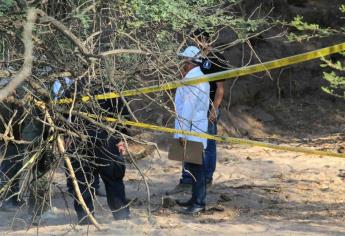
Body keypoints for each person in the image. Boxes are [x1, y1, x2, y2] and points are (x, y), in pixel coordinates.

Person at [168, 30, 227, 194]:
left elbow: (220, 88)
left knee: (206, 146)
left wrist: (214, 109)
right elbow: (183, 76)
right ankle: (187, 180)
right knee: (188, 142)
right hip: (191, 107)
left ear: (204, 40)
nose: (194, 42)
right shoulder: (193, 56)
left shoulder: (216, 58)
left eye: (196, 39)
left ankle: (206, 179)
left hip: (206, 107)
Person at [64, 81, 131, 224]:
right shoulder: (109, 88)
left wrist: (66, 135)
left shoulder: (72, 88)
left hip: (81, 140)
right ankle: (121, 217)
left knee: (83, 181)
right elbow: (125, 116)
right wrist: (121, 136)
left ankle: (86, 219)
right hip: (105, 139)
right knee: (112, 179)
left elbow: (61, 115)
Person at [51, 77, 106, 197]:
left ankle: (94, 186)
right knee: (73, 157)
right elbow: (58, 106)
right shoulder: (61, 82)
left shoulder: (90, 81)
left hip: (89, 126)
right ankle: (72, 187)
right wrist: (65, 131)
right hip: (71, 127)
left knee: (92, 157)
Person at [173, 46, 210, 214]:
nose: (182, 63)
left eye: (184, 60)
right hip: (194, 126)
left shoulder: (193, 79)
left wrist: (182, 133)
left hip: (192, 128)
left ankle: (199, 203)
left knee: (197, 168)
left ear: (189, 61)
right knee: (193, 167)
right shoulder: (196, 77)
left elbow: (188, 107)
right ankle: (195, 199)